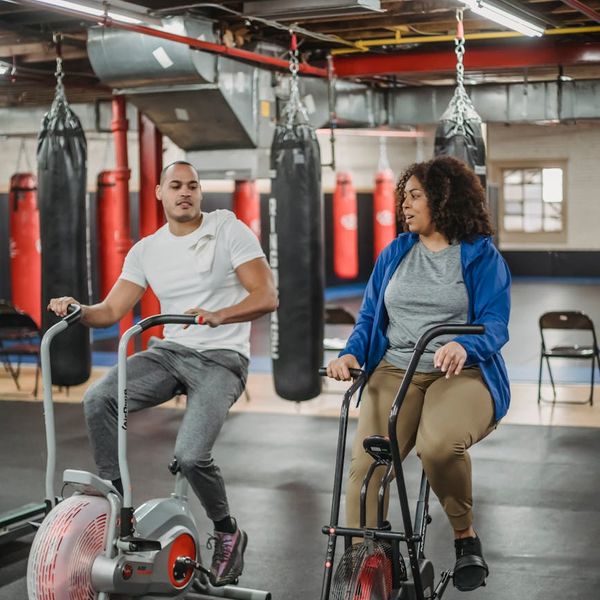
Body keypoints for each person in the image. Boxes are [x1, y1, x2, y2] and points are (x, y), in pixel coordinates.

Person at [48, 160, 277, 587]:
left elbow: (267, 295)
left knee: (191, 456)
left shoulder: (228, 229)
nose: (185, 192)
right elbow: (112, 311)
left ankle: (227, 532)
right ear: (159, 193)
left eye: (192, 185)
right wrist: (78, 309)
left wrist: (218, 315)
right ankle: (120, 510)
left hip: (222, 358)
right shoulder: (147, 249)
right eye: (176, 186)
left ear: (199, 193)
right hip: (170, 353)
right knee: (99, 398)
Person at [326, 155, 511, 592]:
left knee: (439, 446)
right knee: (366, 469)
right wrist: (352, 355)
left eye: (414, 196)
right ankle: (365, 564)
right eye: (403, 197)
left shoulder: (481, 256)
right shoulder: (395, 253)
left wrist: (463, 345)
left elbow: (495, 323)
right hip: (396, 367)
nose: (404, 206)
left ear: (442, 199)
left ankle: (465, 538)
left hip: (461, 372)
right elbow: (370, 318)